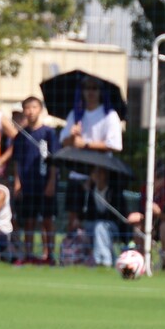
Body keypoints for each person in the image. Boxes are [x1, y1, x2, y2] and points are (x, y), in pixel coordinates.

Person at [59, 75, 123, 232]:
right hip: (77, 173)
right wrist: (72, 136)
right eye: (86, 88)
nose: (90, 92)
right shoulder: (75, 114)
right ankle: (74, 246)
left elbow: (115, 145)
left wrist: (86, 144)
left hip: (100, 175)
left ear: (101, 91)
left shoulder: (109, 115)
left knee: (97, 218)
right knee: (73, 219)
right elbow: (63, 142)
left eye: (94, 88)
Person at [10, 97, 59, 265]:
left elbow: (54, 160)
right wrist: (17, 182)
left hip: (45, 183)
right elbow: (17, 161)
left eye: (34, 107)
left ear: (40, 109)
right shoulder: (21, 136)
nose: (30, 111)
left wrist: (52, 182)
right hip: (28, 185)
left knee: (47, 220)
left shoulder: (49, 133)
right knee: (29, 220)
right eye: (27, 108)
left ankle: (49, 255)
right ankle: (28, 254)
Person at [78, 164, 129, 267]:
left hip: (112, 226)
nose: (97, 175)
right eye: (94, 172)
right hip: (93, 224)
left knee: (100, 227)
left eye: (100, 172)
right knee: (81, 231)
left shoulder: (114, 191)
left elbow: (119, 215)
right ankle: (81, 259)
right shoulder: (89, 191)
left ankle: (104, 261)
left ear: (105, 175)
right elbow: (85, 213)